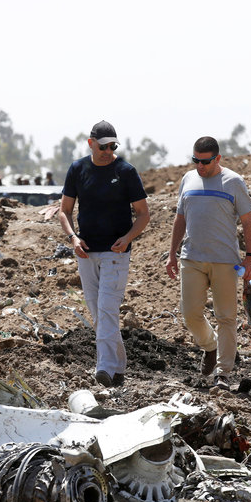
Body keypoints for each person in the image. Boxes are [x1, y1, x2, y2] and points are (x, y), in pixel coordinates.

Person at [58, 120, 150, 388]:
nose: (109, 151)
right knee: (99, 314)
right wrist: (73, 238)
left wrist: (128, 237)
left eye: (113, 146)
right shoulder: (77, 169)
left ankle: (104, 368)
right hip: (85, 254)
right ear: (90, 143)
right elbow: (65, 210)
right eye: (103, 146)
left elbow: (143, 214)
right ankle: (118, 367)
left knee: (107, 308)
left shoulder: (125, 172)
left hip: (115, 253)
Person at [165, 136, 251, 390]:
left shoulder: (234, 181)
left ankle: (223, 374)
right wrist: (172, 253)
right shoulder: (188, 179)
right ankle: (210, 345)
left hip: (225, 261)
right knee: (190, 314)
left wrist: (250, 257)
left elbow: (248, 222)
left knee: (226, 317)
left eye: (205, 162)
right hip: (191, 258)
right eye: (195, 160)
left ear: (218, 159)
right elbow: (180, 218)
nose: (199, 166)